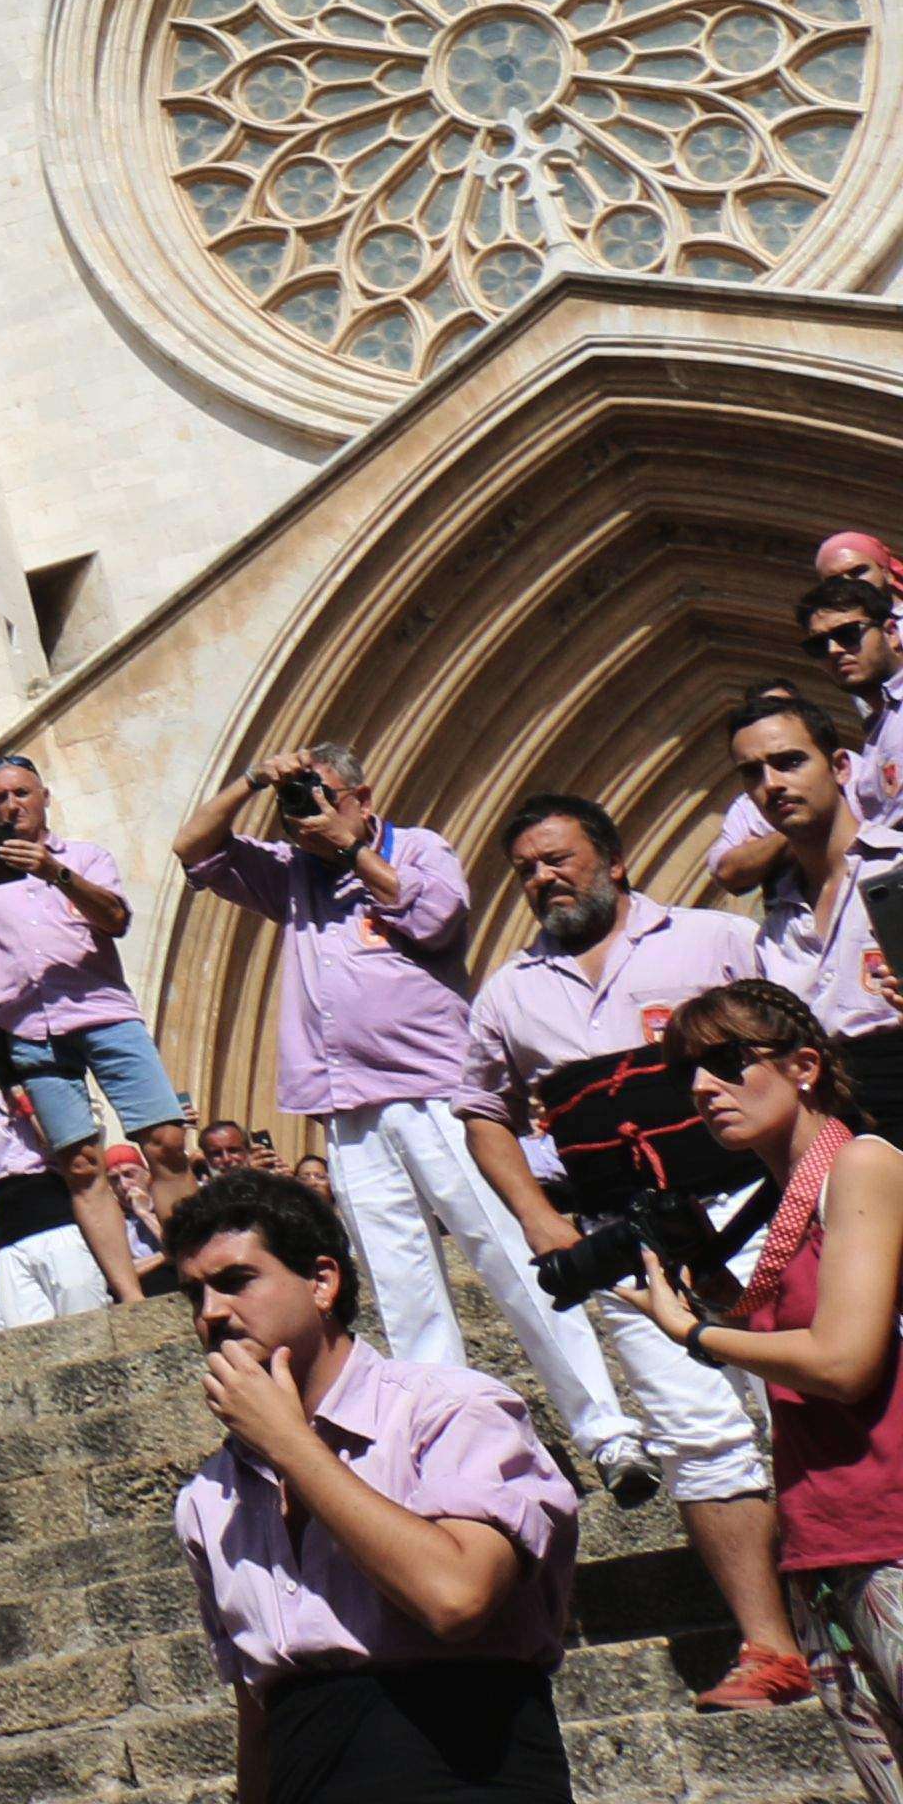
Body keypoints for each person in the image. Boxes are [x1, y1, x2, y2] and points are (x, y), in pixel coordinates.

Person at [458, 786, 807, 1706]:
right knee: (698, 1433)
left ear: (613, 860)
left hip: (759, 1202)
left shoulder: (713, 941)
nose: (542, 878)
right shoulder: (509, 995)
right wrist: (540, 1221)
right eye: (526, 868)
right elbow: (481, 1112)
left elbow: (798, 1043)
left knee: (814, 1387)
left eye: (558, 858)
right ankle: (770, 1647)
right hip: (634, 1239)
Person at [176, 741, 575, 1409]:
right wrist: (253, 780)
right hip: (349, 1103)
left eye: (327, 795)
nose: (310, 811)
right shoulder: (292, 872)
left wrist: (351, 850)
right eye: (298, 800)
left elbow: (437, 919)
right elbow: (193, 846)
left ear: (362, 800)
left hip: (436, 1092)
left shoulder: (418, 847)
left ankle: (603, 1426)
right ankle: (452, 1422)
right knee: (402, 1285)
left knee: (508, 1254)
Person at [166, 1167, 581, 1803]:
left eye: (236, 1281)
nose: (212, 1313)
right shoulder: (208, 1497)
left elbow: (457, 1596)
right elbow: (257, 1711)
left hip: (466, 1773)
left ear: (322, 1282)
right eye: (195, 1295)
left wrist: (290, 1443)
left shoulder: (448, 1410)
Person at [616, 978, 903, 1800]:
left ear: (805, 1064)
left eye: (727, 1061)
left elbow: (845, 1362)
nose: (702, 1087)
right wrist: (708, 1285)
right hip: (828, 1547)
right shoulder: (785, 1199)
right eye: (689, 1071)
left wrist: (693, 1332)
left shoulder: (862, 1161)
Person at [0, 752, 193, 1303]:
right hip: (31, 1031)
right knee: (80, 1163)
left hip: (105, 1014)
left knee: (166, 1141)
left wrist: (53, 872)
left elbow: (116, 919)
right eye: (0, 798)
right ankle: (130, 1296)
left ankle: (193, 1271)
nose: (12, 805)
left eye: (21, 793)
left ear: (44, 796)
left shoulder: (85, 857)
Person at [731, 687, 903, 1135]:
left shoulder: (899, 866)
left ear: (841, 767)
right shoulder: (774, 930)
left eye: (789, 762)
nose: (771, 784)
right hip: (836, 1121)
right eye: (753, 773)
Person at [707, 537, 903, 902]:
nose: (835, 651)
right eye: (819, 645)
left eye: (848, 635)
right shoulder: (878, 729)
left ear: (892, 632)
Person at [0, 1089, 109, 1335]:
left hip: (61, 1228)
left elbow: (76, 1155)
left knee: (86, 1327)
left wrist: (29, 1107)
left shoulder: (54, 1090)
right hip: (11, 1244)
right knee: (27, 1339)